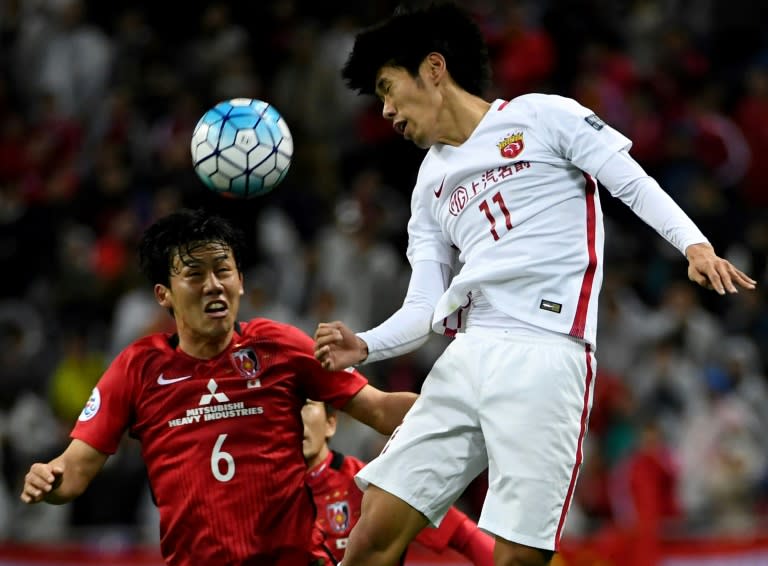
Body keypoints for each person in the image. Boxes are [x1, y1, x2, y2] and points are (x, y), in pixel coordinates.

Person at [312, 3, 757, 566]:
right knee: (370, 539)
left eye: (388, 88)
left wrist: (692, 244)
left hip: (546, 350)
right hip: (468, 353)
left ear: (432, 68)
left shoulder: (543, 116)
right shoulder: (429, 183)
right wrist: (367, 345)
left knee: (517, 559)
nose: (387, 110)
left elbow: (631, 182)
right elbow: (423, 303)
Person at [20, 208, 418, 566]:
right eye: (194, 274)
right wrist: (50, 477)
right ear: (164, 295)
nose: (212, 285)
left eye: (222, 270)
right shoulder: (137, 368)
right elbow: (74, 470)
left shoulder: (279, 346)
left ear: (240, 282)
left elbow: (380, 409)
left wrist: (461, 405)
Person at [301, 400, 494, 565]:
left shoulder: (373, 487)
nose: (297, 419)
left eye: (306, 405)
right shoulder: (271, 496)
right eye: (283, 409)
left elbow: (463, 535)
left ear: (330, 423)